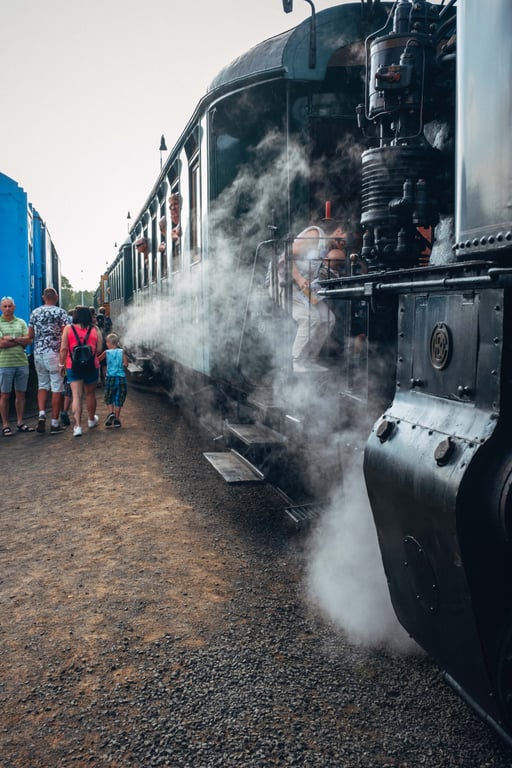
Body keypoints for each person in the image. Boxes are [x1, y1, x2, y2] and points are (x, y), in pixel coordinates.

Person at [287, 225, 336, 373]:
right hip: (285, 282)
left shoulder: (325, 246)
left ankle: (309, 360)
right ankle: (296, 361)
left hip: (303, 288)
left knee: (328, 319)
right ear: (340, 231)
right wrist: (299, 278)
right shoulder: (315, 235)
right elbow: (288, 254)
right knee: (310, 318)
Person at [28, 287, 68, 434]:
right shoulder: (60, 312)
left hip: (38, 353)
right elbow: (65, 333)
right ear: (56, 297)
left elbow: (30, 334)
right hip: (54, 353)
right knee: (57, 387)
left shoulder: (35, 312)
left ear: (43, 297)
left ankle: (41, 414)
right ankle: (55, 423)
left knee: (42, 385)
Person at [59, 306, 103, 437]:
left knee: (76, 396)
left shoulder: (68, 329)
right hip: (91, 365)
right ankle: (91, 420)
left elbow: (63, 349)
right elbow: (99, 349)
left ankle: (77, 427)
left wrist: (61, 364)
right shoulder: (95, 329)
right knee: (90, 394)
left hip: (73, 366)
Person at [0, 296, 34, 435]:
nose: (8, 308)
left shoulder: (21, 322)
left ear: (14, 307)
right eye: (5, 306)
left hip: (21, 362)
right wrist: (20, 341)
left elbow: (29, 340)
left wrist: (12, 338)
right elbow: (1, 343)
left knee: (21, 394)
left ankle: (20, 422)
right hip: (4, 364)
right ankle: (5, 425)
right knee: (5, 395)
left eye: (10, 306)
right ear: (1, 308)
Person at [98, 332, 128, 428]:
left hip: (110, 377)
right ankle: (117, 420)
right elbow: (126, 364)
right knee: (119, 398)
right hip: (121, 378)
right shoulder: (122, 352)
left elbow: (97, 360)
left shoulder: (106, 352)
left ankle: (111, 413)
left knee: (108, 396)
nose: (106, 344)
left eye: (107, 342)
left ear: (109, 343)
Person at [96, 307, 112, 385]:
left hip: (97, 345)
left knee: (98, 361)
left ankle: (98, 380)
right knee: (105, 363)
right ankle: (105, 380)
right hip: (105, 344)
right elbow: (110, 330)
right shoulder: (108, 321)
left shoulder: (95, 326)